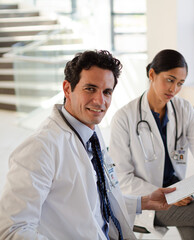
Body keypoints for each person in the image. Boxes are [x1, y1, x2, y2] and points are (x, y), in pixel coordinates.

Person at [0, 50, 175, 240]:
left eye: (107, 92)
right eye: (90, 89)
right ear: (67, 89)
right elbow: (12, 230)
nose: (100, 101)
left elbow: (95, 199)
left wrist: (144, 201)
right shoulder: (40, 148)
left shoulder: (90, 130)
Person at [109, 49, 194, 239]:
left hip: (180, 192)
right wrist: (167, 194)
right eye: (170, 80)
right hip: (147, 199)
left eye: (180, 83)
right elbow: (123, 180)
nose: (174, 89)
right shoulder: (124, 118)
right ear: (152, 74)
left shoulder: (183, 109)